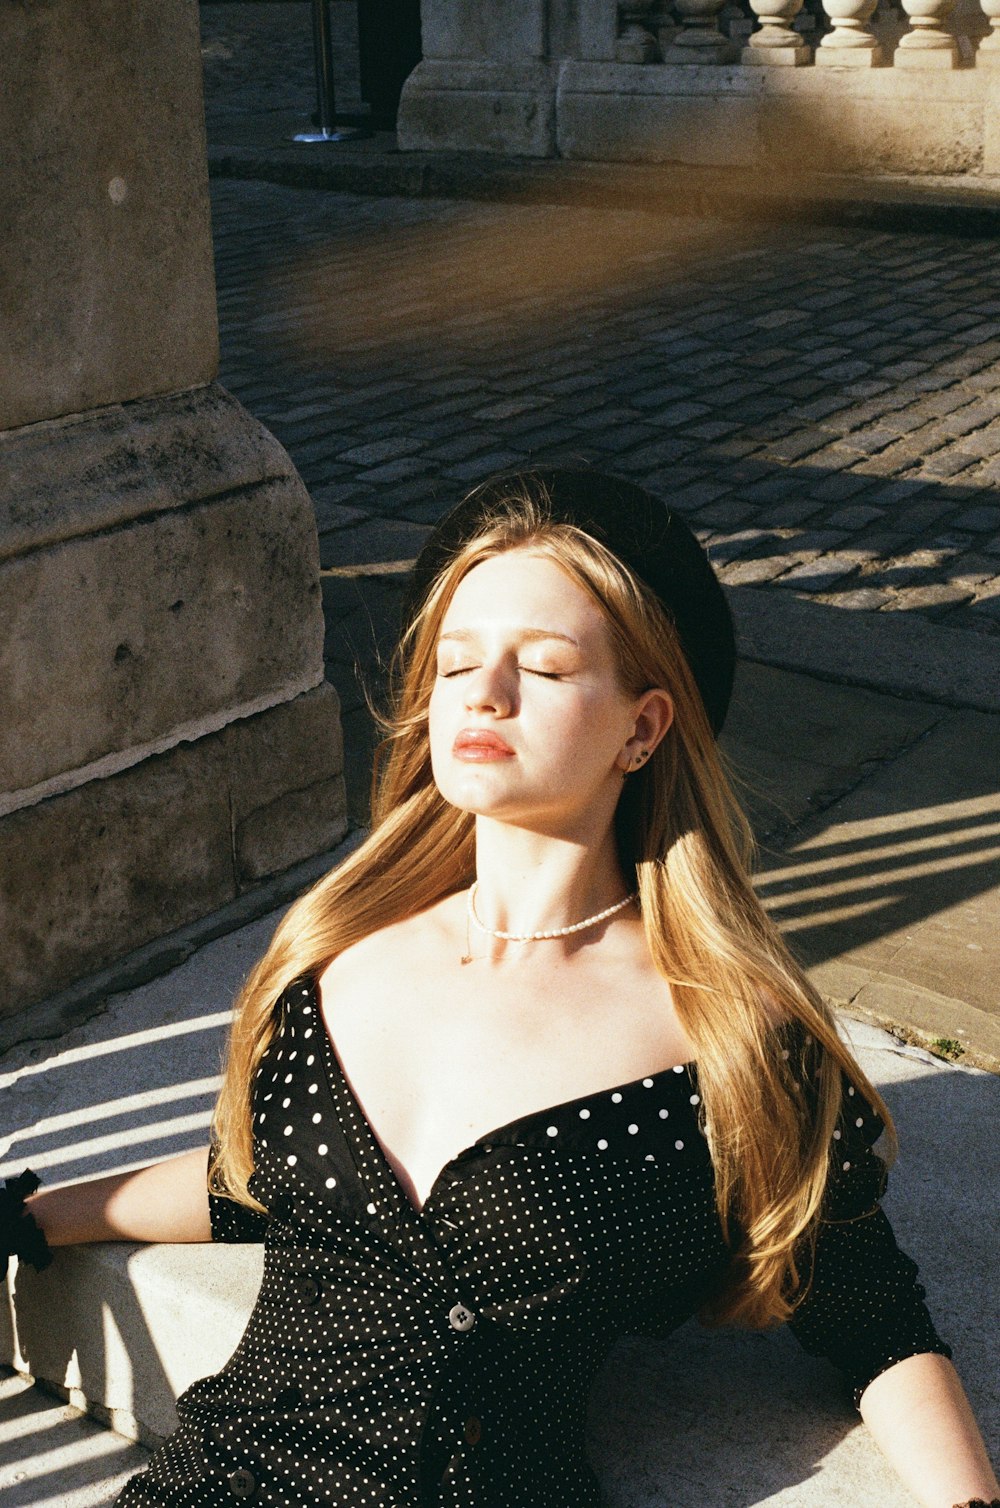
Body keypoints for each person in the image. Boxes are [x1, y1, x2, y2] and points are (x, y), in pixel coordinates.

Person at [4, 467, 998, 1508]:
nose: (484, 691)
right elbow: (257, 1180)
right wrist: (30, 1213)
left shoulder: (728, 1040)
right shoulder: (335, 955)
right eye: (458, 661)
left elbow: (876, 1321)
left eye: (547, 665)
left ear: (642, 727)